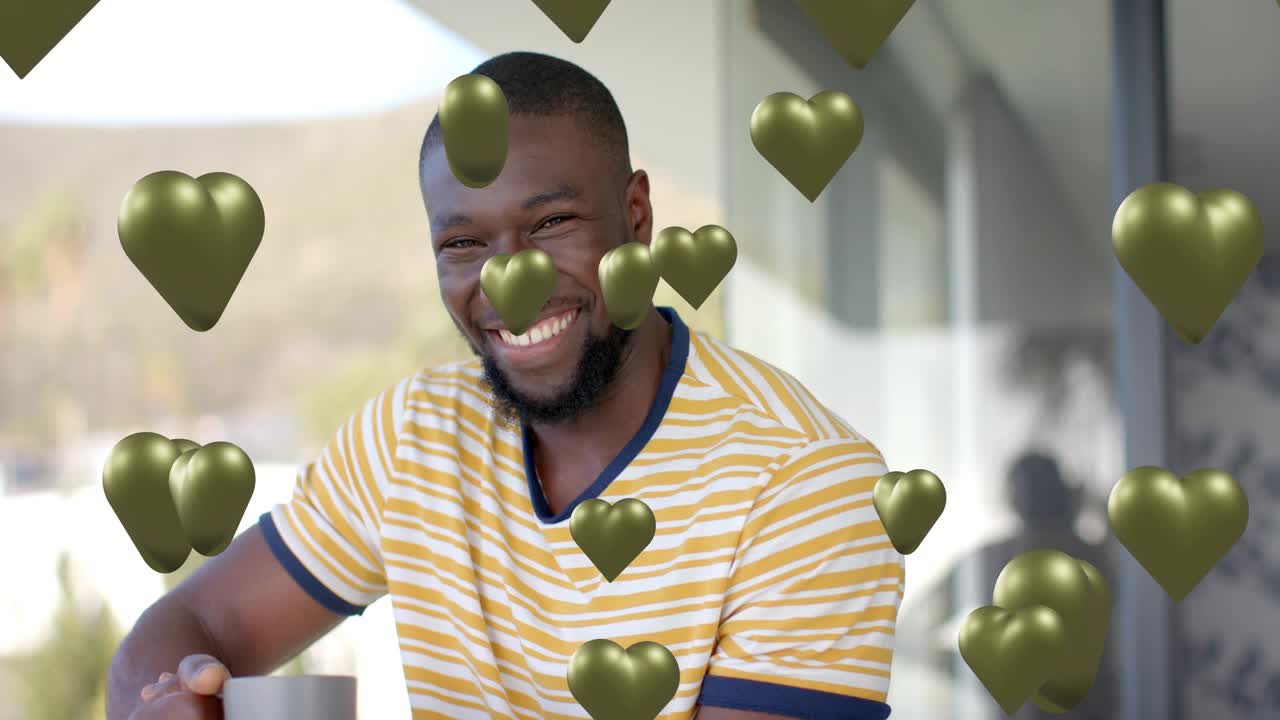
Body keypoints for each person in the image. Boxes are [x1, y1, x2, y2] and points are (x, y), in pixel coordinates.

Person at [106, 51, 905, 720]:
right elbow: (189, 623)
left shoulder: (806, 482)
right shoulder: (412, 435)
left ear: (636, 217)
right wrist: (170, 700)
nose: (506, 279)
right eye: (463, 242)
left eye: (550, 224)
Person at [910, 451, 1114, 720]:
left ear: (1014, 502)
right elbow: (913, 631)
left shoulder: (993, 558)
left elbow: (912, 631)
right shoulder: (1097, 559)